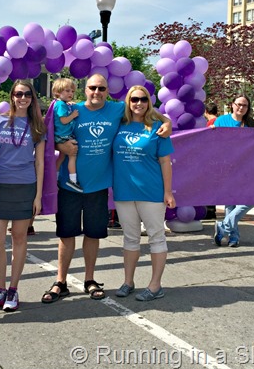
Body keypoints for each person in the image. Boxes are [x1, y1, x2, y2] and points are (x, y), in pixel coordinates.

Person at [41, 74, 171, 303]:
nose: (96, 92)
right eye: (92, 87)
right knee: (66, 234)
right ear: (85, 89)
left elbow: (145, 110)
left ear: (107, 90)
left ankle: (89, 280)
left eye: (101, 88)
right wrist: (61, 145)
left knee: (93, 234)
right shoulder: (73, 109)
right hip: (70, 185)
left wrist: (167, 122)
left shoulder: (117, 109)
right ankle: (60, 281)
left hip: (99, 186)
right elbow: (49, 135)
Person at [0, 80, 46, 312]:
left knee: (19, 239)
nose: (23, 98)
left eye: (27, 94)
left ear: (32, 97)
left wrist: (38, 196)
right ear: (12, 96)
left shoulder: (36, 125)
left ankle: (13, 289)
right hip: (0, 186)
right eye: (18, 93)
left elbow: (40, 162)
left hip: (25, 187)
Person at [112, 86, 175, 301]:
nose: (138, 103)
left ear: (149, 102)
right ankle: (128, 282)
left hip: (151, 192)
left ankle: (155, 285)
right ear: (128, 102)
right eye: (134, 100)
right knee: (130, 238)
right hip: (124, 192)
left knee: (156, 238)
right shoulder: (118, 124)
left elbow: (165, 162)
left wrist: (168, 192)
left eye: (143, 100)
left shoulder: (158, 128)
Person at [212, 95, 254, 248]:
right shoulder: (221, 121)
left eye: (244, 105)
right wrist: (211, 132)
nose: (241, 108)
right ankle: (234, 237)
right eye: (238, 104)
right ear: (232, 105)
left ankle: (223, 226)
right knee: (230, 203)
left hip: (245, 168)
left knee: (252, 199)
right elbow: (213, 143)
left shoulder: (251, 124)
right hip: (226, 168)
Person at [52, 78, 82, 192]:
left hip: (60, 135)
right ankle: (73, 180)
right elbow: (64, 120)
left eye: (72, 91)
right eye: (67, 91)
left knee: (61, 157)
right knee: (72, 155)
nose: (71, 93)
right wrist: (73, 115)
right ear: (58, 92)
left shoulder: (60, 103)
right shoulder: (61, 105)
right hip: (63, 136)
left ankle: (55, 178)